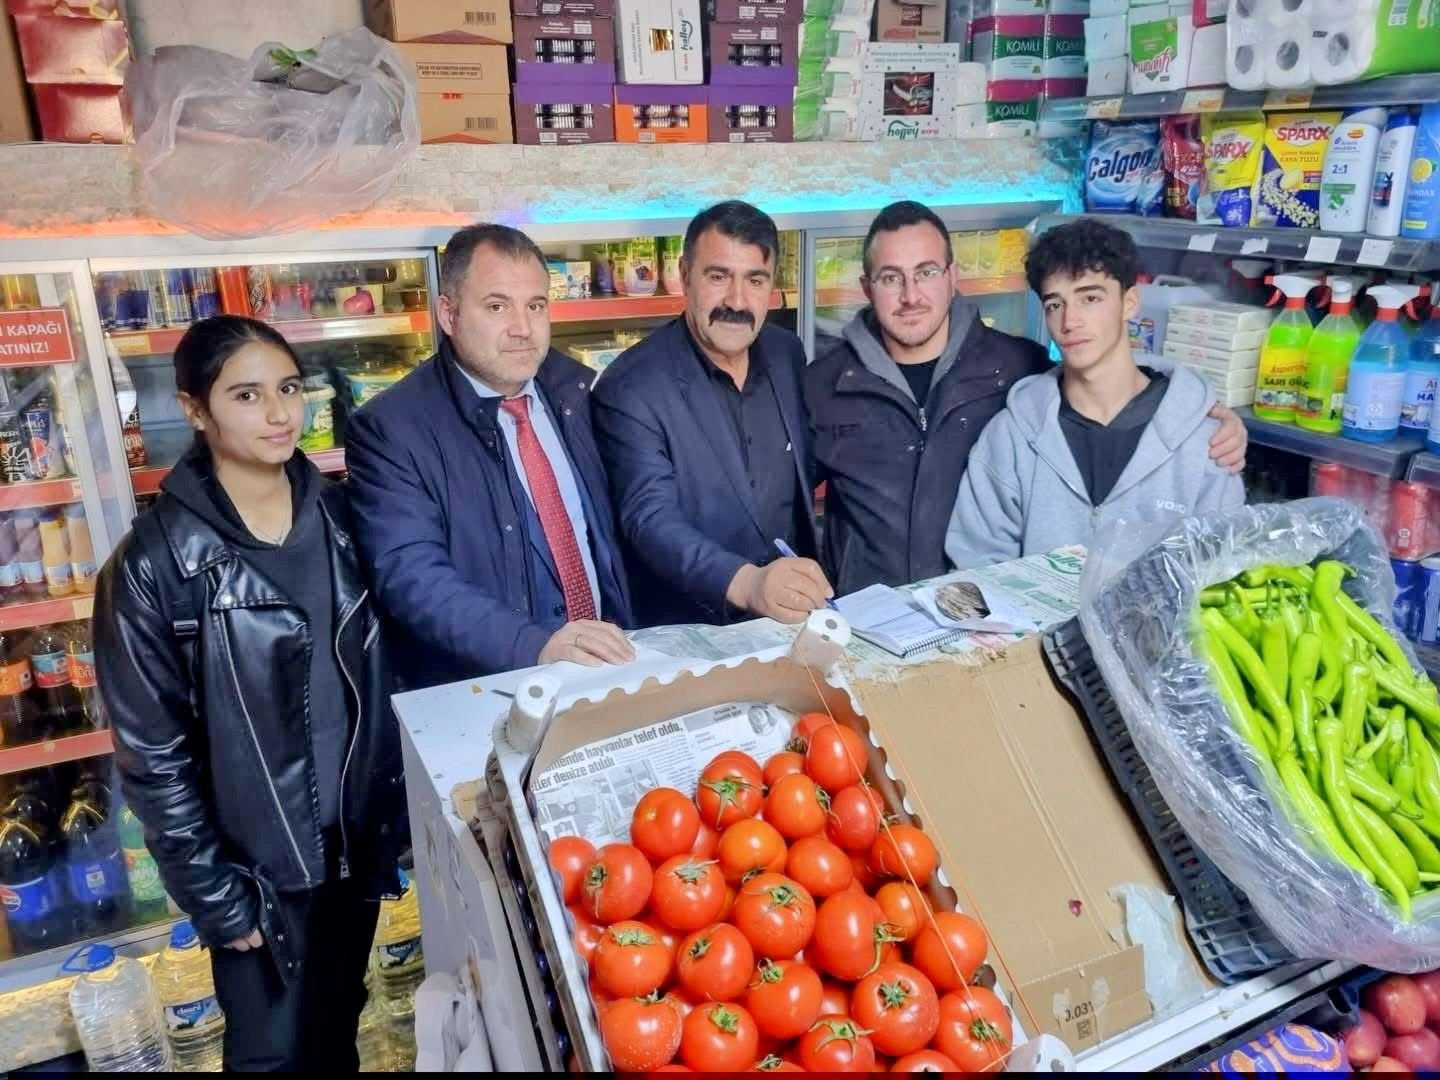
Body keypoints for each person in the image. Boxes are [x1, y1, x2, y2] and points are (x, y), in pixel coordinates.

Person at [93, 315, 406, 1071]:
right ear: (196, 409)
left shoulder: (345, 518)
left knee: (337, 1028)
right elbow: (152, 757)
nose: (278, 414)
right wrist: (215, 896)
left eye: (290, 388)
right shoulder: (153, 564)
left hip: (349, 847)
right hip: (255, 875)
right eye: (247, 395)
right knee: (269, 1054)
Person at [806, 200, 1249, 596]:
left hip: (1013, 636)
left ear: (953, 276)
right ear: (867, 287)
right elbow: (774, 492)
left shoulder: (1016, 367)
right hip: (873, 619)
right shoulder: (824, 383)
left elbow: (1111, 387)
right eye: (890, 278)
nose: (910, 295)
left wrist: (1200, 413)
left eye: (926, 272)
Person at [344, 224, 635, 686]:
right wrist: (534, 644)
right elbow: (412, 576)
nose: (523, 329)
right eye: (497, 306)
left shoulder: (578, 392)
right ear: (449, 313)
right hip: (488, 688)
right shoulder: (391, 428)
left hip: (607, 667)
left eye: (535, 306)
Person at [944, 218, 1246, 567]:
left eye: (1090, 298)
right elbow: (976, 568)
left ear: (1129, 302)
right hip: (1034, 623)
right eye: (1055, 304)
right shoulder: (1011, 438)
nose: (1070, 321)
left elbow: (1223, 577)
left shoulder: (1206, 443)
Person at [592, 200, 832, 626]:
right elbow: (649, 519)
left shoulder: (785, 353)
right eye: (718, 277)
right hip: (695, 628)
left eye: (755, 280)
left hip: (794, 616)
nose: (737, 301)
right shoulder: (630, 387)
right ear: (685, 276)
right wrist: (748, 583)